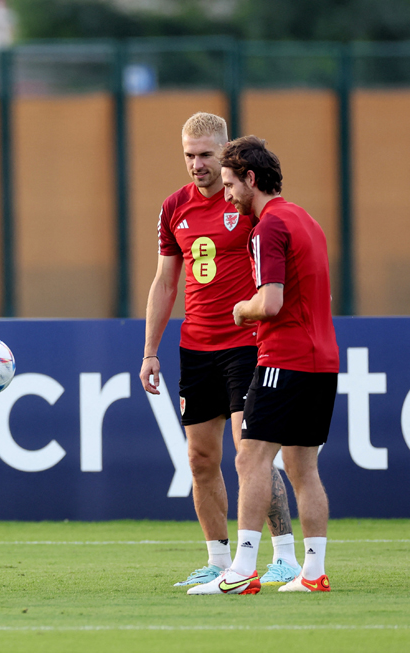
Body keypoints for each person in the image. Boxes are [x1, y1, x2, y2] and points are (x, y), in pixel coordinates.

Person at [139, 113, 300, 588]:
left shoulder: (248, 202)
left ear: (226, 152)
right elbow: (166, 281)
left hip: (248, 345)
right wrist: (151, 351)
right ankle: (216, 558)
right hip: (196, 347)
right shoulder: (174, 207)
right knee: (199, 459)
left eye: (206, 155)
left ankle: (284, 557)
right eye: (189, 155)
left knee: (250, 455)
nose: (196, 165)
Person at [189, 136, 339, 595]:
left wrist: (241, 309)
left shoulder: (268, 227)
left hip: (284, 359)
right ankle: (313, 573)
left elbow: (270, 303)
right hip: (323, 359)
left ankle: (241, 571)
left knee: (250, 457)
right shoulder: (306, 220)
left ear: (251, 179)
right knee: (304, 468)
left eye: (232, 184)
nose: (229, 195)